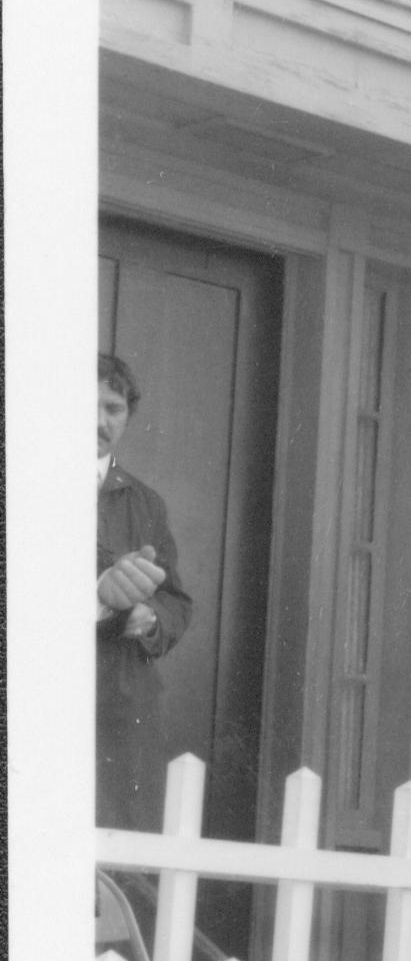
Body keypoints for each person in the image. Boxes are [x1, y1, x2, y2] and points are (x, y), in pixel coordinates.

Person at [96, 353, 194, 835]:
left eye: (113, 408)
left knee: (119, 853)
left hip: (121, 702)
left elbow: (176, 601)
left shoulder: (143, 501)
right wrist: (100, 601)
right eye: (85, 404)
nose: (99, 420)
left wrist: (150, 618)